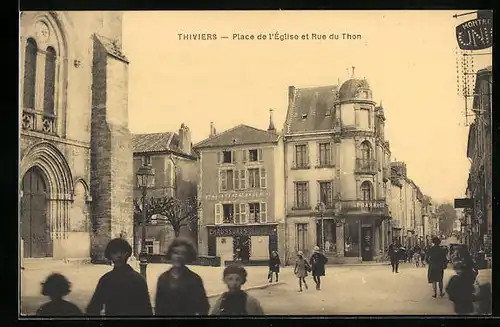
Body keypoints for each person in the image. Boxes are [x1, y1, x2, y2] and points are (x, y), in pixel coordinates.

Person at [86, 238, 153, 316]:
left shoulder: (107, 279)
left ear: (127, 253)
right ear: (109, 255)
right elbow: (94, 307)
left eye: (122, 252)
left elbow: (146, 309)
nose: (119, 255)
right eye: (115, 252)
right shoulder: (106, 280)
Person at [154, 237, 209, 316]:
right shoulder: (163, 278)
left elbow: (203, 307)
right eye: (176, 253)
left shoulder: (195, 279)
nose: (178, 256)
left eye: (183, 253)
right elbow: (158, 308)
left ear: (188, 257)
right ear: (171, 255)